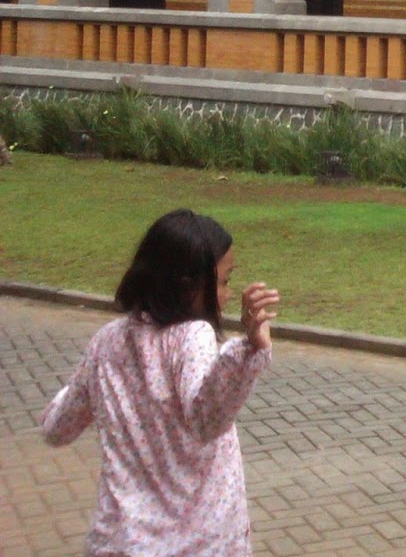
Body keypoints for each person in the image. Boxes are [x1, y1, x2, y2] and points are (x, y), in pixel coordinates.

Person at [41, 208, 281, 557]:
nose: (227, 295)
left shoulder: (105, 342)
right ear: (187, 284)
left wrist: (81, 389)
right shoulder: (191, 336)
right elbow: (206, 419)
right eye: (223, 282)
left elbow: (57, 428)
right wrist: (249, 349)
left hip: (120, 541)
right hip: (198, 543)